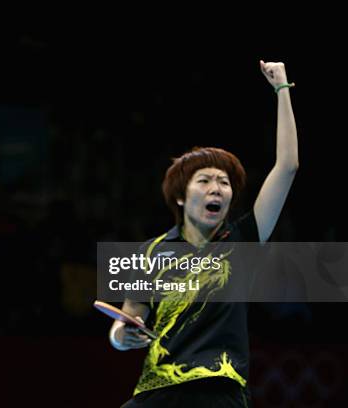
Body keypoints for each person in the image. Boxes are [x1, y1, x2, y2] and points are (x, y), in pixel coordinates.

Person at [109, 61, 298, 407]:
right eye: (205, 181)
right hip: (158, 391)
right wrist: (121, 336)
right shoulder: (149, 253)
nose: (217, 189)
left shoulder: (243, 241)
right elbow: (128, 318)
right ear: (181, 196)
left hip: (220, 391)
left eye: (224, 183)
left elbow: (287, 166)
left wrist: (282, 89)